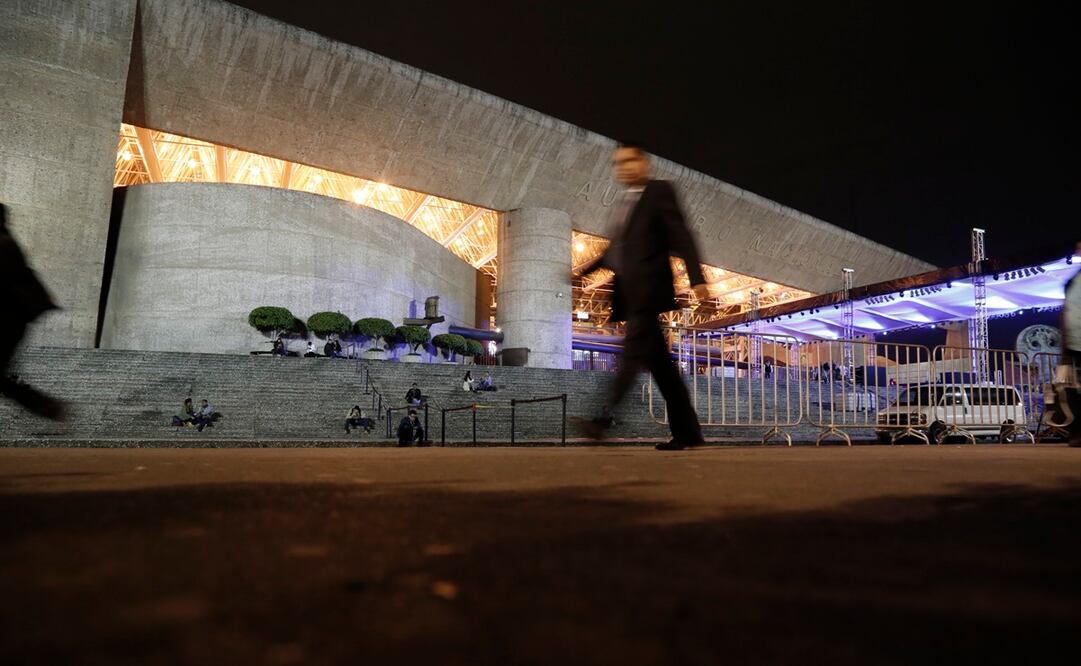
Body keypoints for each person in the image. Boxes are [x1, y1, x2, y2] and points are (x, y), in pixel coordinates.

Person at [574, 142, 708, 450]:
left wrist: (697, 278)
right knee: (663, 371)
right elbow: (615, 252)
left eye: (629, 161)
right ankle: (689, 433)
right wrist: (582, 274)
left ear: (644, 163)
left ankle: (601, 422)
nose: (624, 168)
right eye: (618, 163)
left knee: (631, 359)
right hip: (630, 297)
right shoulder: (625, 204)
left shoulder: (659, 192)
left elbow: (681, 234)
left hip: (648, 293)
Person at [0, 204, 66, 419]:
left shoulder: (4, 244)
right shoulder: (7, 242)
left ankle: (46, 406)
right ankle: (46, 406)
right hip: (14, 321)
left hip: (8, 321)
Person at [1062, 241, 1081, 446]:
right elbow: (1065, 311)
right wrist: (1064, 348)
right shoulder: (1072, 281)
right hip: (1074, 342)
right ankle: (1077, 432)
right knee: (1072, 390)